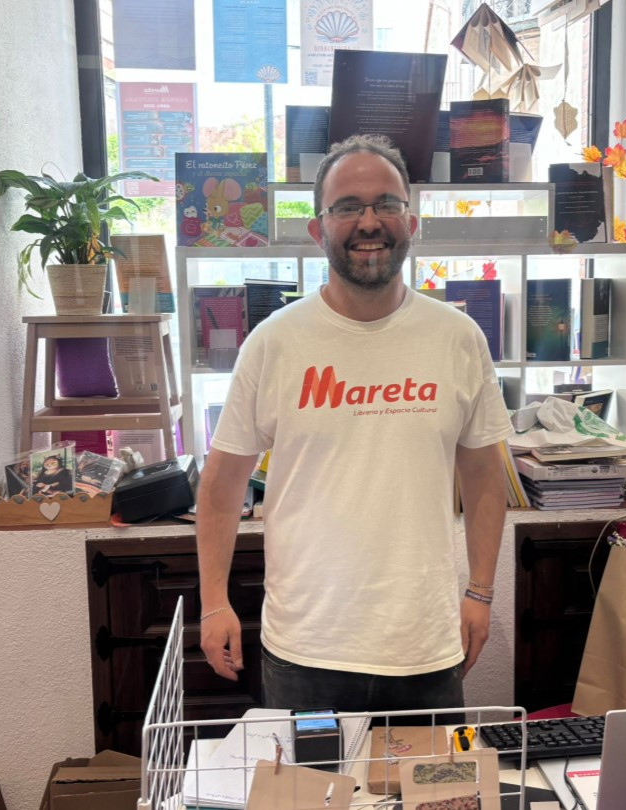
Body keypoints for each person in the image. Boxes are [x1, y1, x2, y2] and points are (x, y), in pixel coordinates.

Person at [197, 134, 512, 714]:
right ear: (318, 230)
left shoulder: (458, 338)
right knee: (306, 779)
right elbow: (221, 485)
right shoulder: (274, 343)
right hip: (304, 649)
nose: (369, 222)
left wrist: (481, 592)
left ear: (411, 221)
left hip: (425, 645)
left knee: (434, 779)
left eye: (386, 203)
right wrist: (214, 601)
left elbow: (485, 478)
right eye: (347, 207)